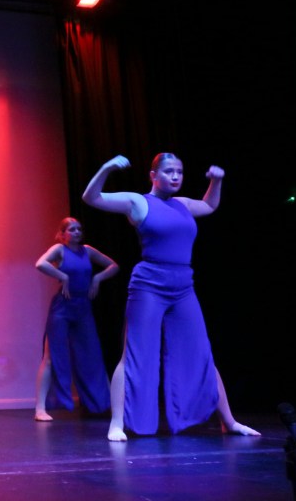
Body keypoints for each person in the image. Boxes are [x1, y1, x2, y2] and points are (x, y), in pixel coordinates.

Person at [82, 153, 260, 441]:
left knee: (202, 353)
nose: (176, 176)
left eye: (180, 171)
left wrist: (216, 180)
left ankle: (229, 421)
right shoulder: (138, 202)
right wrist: (106, 167)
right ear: (153, 176)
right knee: (134, 354)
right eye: (169, 171)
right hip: (149, 285)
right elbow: (91, 198)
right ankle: (116, 423)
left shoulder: (183, 204)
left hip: (183, 286)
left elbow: (210, 205)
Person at [33, 217, 118, 422]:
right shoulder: (59, 250)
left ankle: (109, 405)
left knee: (93, 356)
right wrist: (62, 276)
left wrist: (97, 278)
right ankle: (40, 409)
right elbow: (40, 264)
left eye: (79, 229)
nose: (77, 232)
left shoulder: (87, 251)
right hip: (62, 308)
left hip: (83, 308)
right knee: (51, 357)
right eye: (72, 229)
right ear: (63, 234)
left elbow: (113, 266)